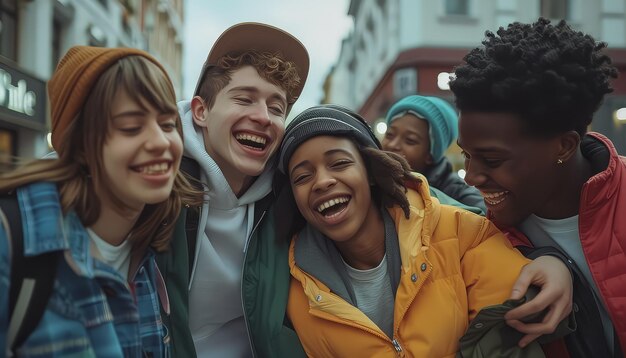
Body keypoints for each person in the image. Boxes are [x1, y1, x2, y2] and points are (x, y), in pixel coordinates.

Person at [274, 104, 560, 357]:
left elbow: (510, 333)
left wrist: (554, 262)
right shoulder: (293, 295)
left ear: (372, 172)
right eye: (302, 176)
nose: (322, 181)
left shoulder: (464, 235)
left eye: (340, 163)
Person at [0, 46, 202, 357]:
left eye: (167, 124)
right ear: (80, 145)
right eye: (131, 128)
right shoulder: (10, 242)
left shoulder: (152, 253)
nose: (161, 142)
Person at [450, 18, 625, 357]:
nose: (471, 177)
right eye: (467, 155)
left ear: (563, 146)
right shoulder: (482, 238)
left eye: (492, 159)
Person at [155, 22, 310, 357]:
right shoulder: (153, 176)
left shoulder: (289, 199)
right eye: (244, 99)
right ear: (201, 112)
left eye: (276, 107)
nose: (263, 117)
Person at [382, 95, 486, 212]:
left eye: (410, 140)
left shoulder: (456, 193)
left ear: (430, 155)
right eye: (389, 134)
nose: (392, 145)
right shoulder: (372, 181)